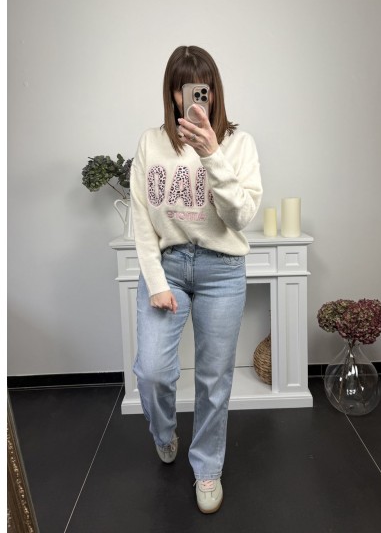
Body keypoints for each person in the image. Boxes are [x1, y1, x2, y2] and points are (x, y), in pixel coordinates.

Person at [130, 45, 263, 514]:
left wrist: (211, 154)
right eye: (182, 88)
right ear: (172, 93)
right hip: (167, 267)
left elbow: (240, 216)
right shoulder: (150, 143)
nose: (191, 98)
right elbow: (141, 220)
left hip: (221, 271)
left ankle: (207, 467)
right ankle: (165, 432)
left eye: (200, 89)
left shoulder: (239, 145)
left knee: (213, 379)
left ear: (213, 91)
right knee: (152, 371)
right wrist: (156, 282)